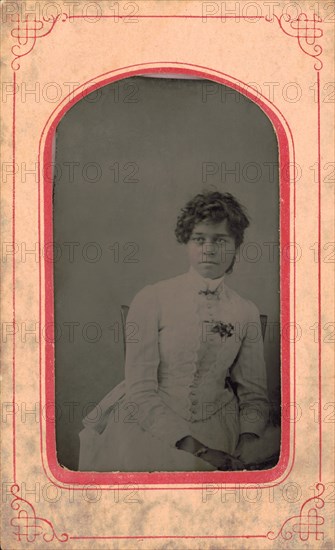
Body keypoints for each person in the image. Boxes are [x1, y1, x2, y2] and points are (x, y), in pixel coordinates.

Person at [78, 191, 279, 472]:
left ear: (236, 246)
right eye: (199, 239)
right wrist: (202, 451)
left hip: (220, 423)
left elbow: (254, 394)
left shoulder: (245, 310)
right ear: (187, 243)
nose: (208, 248)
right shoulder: (153, 298)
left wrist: (246, 442)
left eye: (220, 240)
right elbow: (140, 390)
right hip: (150, 423)